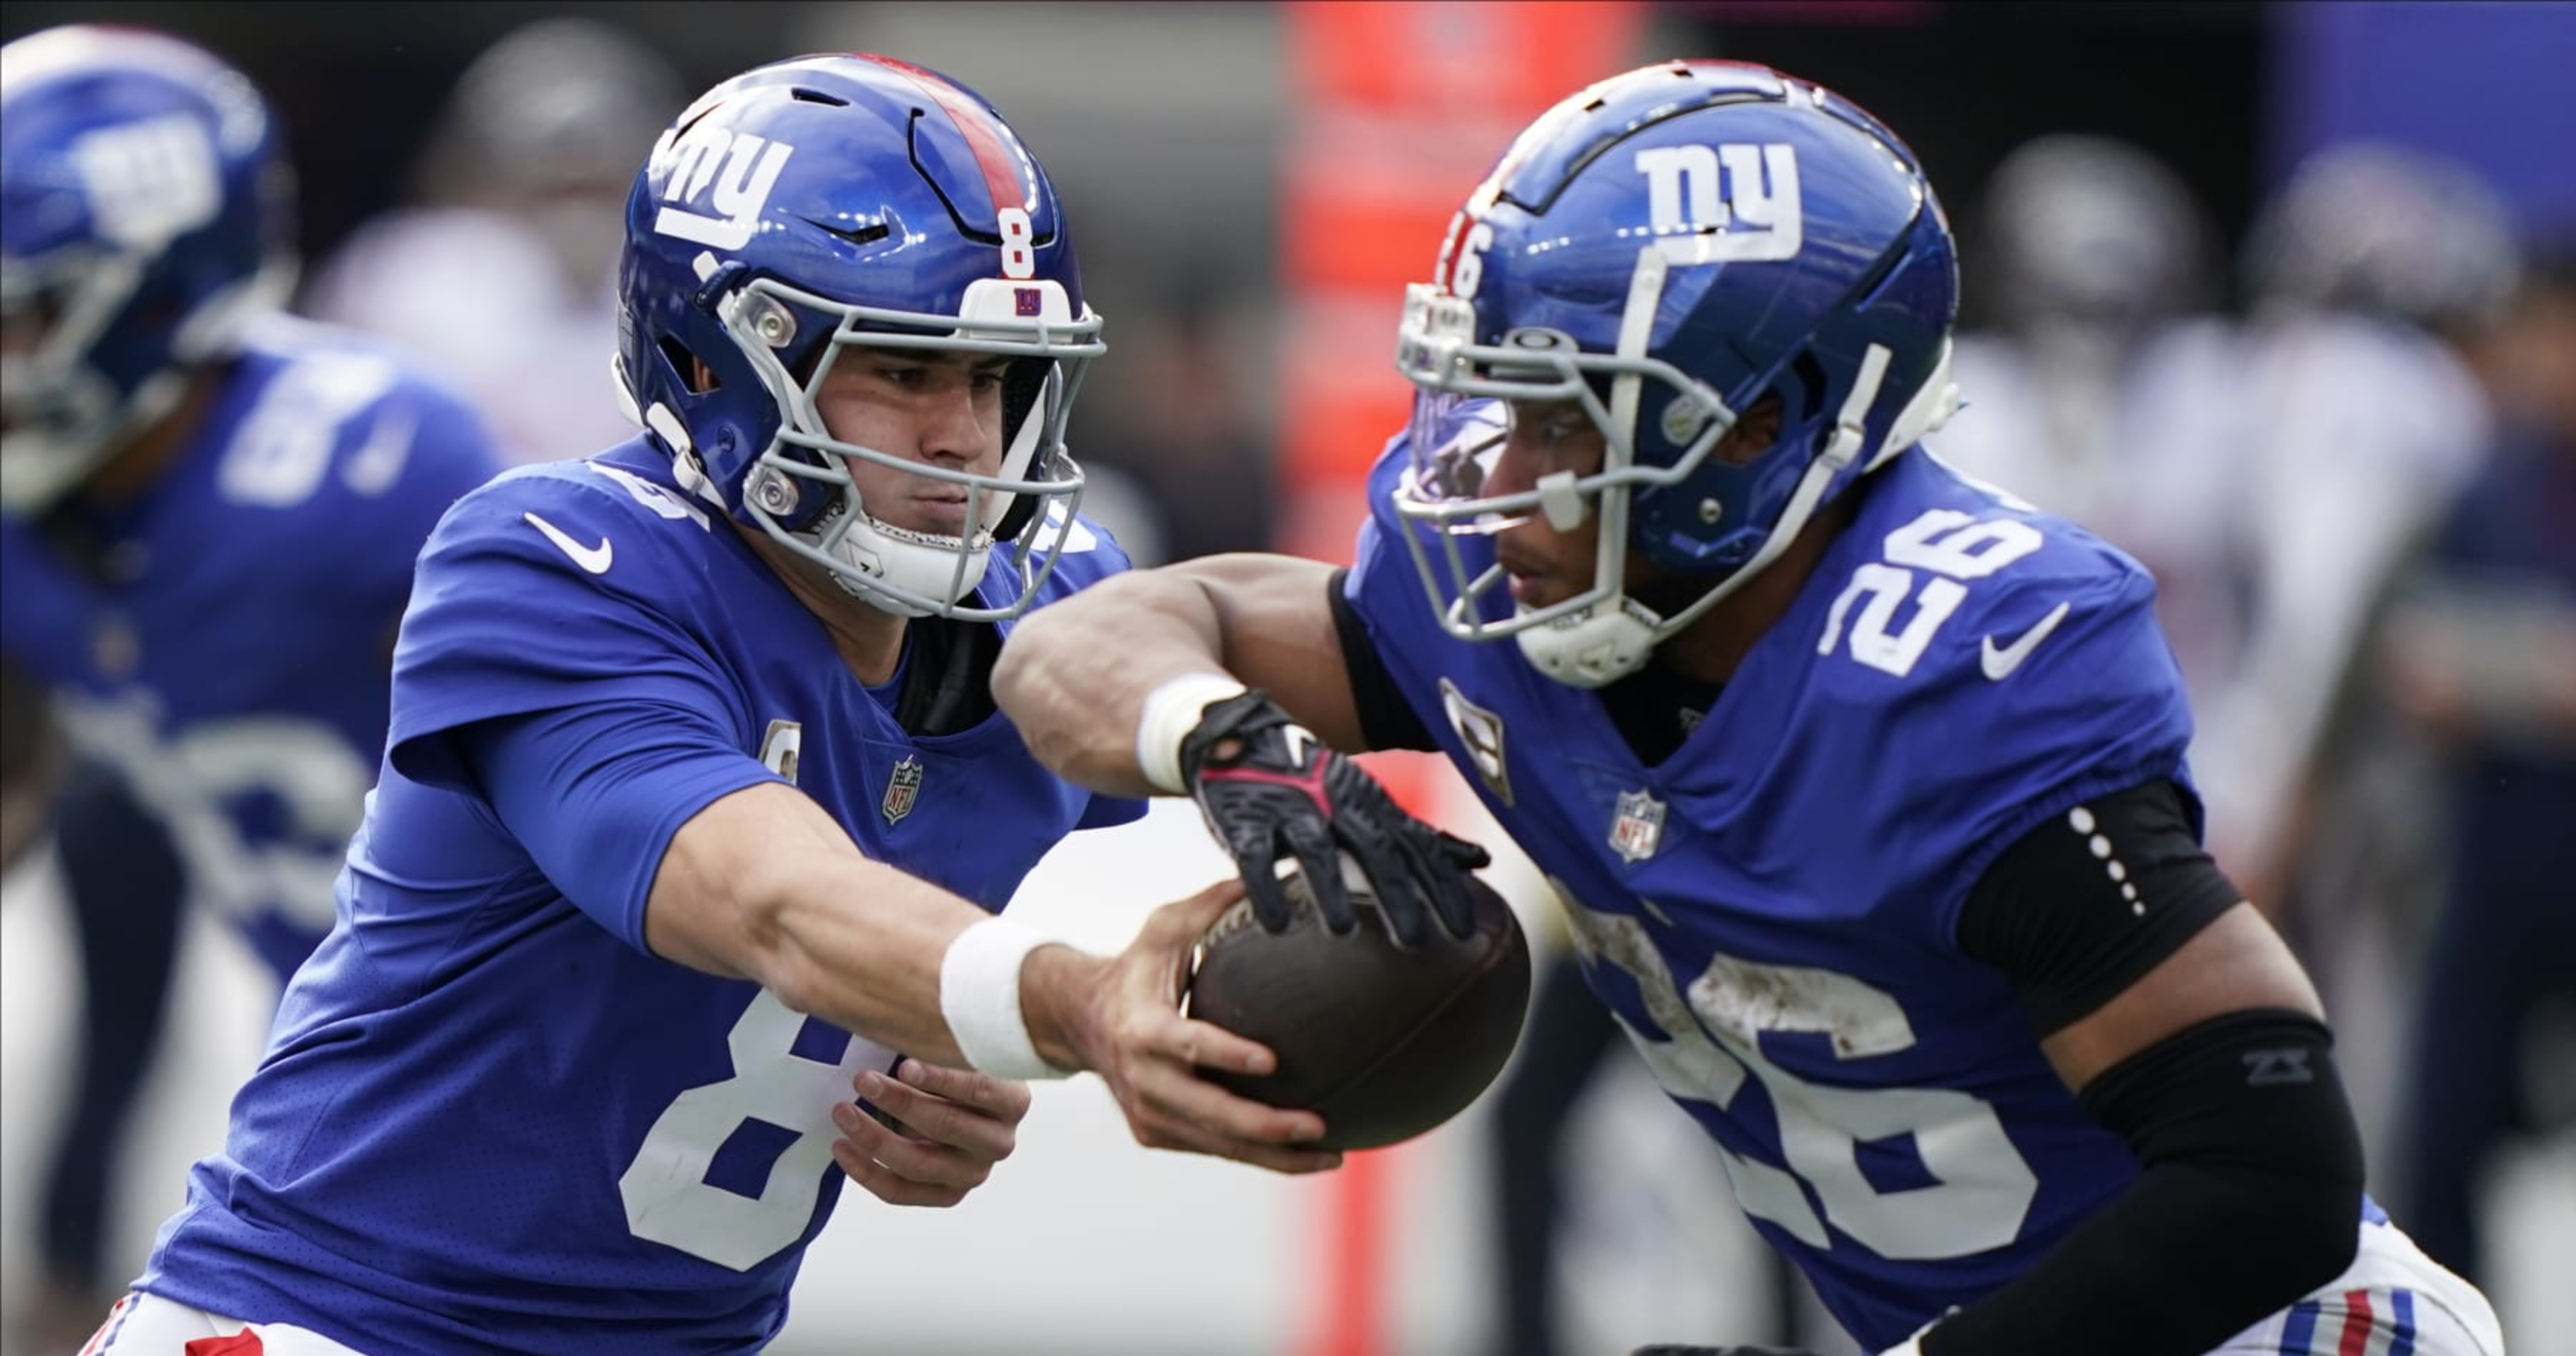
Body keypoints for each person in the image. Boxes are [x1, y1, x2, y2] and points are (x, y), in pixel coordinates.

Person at [991, 61, 2510, 1356]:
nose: (1496, 471)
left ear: (1760, 426)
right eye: (1493, 399)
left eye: (1563, 411)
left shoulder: (1953, 673)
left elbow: (2265, 1183)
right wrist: (1226, 739)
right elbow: (1082, 642)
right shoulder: (1505, 607)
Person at [91, 52, 1333, 1356]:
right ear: (709, 360)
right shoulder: (556, 565)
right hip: (335, 1324)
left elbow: (1301, 630)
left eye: (996, 378)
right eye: (904, 374)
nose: (967, 437)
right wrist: (1065, 1003)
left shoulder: (1045, 611)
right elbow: (776, 904)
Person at [0, 26, 506, 1351]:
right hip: (339, 1098)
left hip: (515, 1077)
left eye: (22, 317)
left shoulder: (366, 467)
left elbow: (628, 733)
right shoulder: (31, 518)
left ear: (156, 291)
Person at [304, 16, 686, 466]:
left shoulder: (691, 282)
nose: (575, 218)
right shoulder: (407, 276)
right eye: (555, 188)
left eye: (595, 188)